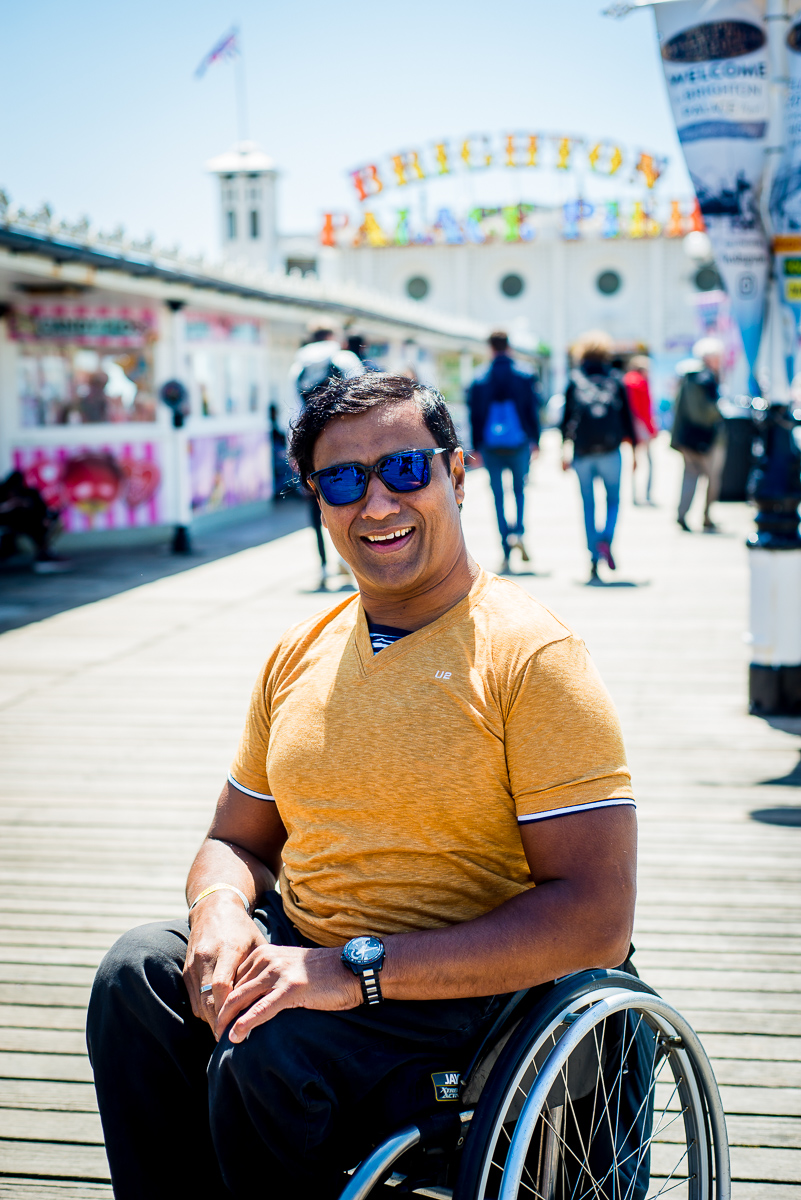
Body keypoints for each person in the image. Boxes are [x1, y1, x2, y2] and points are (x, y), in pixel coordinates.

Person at [87, 373, 637, 1200]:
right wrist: (221, 912)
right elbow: (235, 842)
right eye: (343, 480)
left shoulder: (529, 658)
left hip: (464, 1003)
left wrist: (355, 971)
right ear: (317, 500)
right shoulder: (298, 650)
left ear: (458, 474)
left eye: (405, 470)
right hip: (309, 951)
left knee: (270, 1047)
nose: (376, 503)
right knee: (136, 976)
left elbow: (595, 918)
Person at [289, 329, 364, 587]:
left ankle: (322, 566)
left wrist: (295, 455)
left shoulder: (298, 367)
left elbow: (290, 415)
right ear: (333, 336)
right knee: (349, 504)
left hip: (309, 450)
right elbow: (361, 404)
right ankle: (346, 561)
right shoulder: (345, 360)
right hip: (344, 450)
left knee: (314, 507)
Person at [561, 331, 637, 581]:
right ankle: (606, 539)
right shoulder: (615, 379)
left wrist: (564, 449)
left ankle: (593, 557)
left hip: (582, 452)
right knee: (613, 500)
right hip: (610, 451)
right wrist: (635, 451)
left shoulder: (575, 379)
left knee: (588, 505)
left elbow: (565, 420)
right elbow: (628, 418)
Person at [466, 331, 541, 572]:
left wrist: (476, 447)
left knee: (497, 496)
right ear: (509, 347)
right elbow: (532, 409)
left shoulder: (480, 378)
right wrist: (535, 439)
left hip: (490, 444)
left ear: (490, 348)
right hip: (519, 442)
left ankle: (505, 547)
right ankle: (518, 531)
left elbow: (474, 415)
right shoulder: (525, 374)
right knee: (519, 490)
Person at [671, 337, 725, 533]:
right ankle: (702, 516)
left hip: (691, 438)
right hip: (703, 439)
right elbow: (701, 412)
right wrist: (720, 411)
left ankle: (686, 514)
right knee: (709, 479)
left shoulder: (690, 376)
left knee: (692, 477)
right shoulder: (701, 378)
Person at [0, 470, 63, 570]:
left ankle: (44, 552)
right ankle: (43, 552)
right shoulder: (2, 493)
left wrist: (45, 518)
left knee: (39, 527)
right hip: (9, 522)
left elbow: (41, 507)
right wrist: (10, 504)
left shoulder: (30, 493)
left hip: (30, 522)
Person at [623, 355, 658, 506]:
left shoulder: (625, 381)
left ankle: (633, 494)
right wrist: (651, 429)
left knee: (634, 462)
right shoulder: (640, 382)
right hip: (641, 427)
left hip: (630, 426)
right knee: (650, 462)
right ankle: (646, 495)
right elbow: (644, 409)